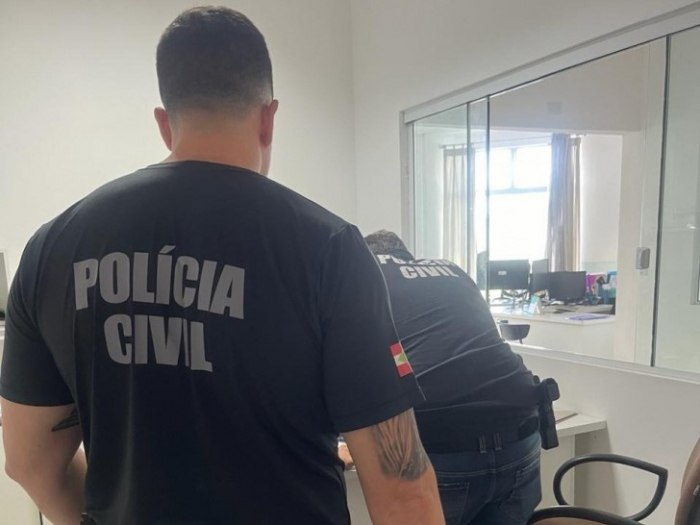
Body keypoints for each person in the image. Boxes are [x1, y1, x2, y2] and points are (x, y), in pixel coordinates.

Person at [0, 8, 444, 525]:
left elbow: (28, 461)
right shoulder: (330, 248)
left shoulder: (52, 248)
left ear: (165, 124)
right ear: (268, 118)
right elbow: (402, 490)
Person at [362, 230, 544, 525]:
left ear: (367, 257)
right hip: (521, 429)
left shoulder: (368, 278)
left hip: (442, 441)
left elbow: (351, 366)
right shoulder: (451, 269)